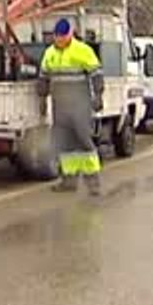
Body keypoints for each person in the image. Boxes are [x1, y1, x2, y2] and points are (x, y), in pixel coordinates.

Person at [41, 18, 104, 195]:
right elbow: (43, 77)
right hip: (60, 106)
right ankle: (68, 181)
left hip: (80, 106)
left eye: (62, 36)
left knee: (84, 141)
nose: (59, 40)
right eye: (57, 37)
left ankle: (93, 183)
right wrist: (42, 100)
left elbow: (96, 74)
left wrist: (98, 95)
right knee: (65, 143)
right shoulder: (50, 53)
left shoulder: (82, 51)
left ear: (70, 34)